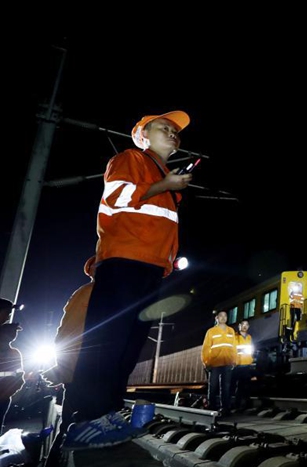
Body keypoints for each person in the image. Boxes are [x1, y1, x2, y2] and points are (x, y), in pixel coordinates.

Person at [58, 111, 193, 452]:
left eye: (176, 131)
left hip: (150, 268)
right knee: (109, 341)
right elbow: (117, 198)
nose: (173, 133)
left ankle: (108, 413)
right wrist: (165, 186)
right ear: (142, 136)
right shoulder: (129, 159)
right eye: (165, 128)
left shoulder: (163, 176)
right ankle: (84, 420)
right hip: (124, 261)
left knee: (129, 346)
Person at [41, 256, 96, 387]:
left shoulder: (86, 291)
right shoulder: (90, 292)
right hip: (83, 365)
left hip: (80, 364)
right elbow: (72, 330)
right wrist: (66, 368)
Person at [201, 311, 237, 415]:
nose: (223, 318)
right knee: (213, 387)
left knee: (226, 387)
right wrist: (206, 362)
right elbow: (206, 348)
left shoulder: (231, 331)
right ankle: (211, 408)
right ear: (217, 318)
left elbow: (234, 347)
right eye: (221, 316)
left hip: (227, 363)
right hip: (214, 364)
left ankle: (225, 408)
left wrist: (234, 361)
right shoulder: (211, 331)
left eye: (225, 316)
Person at [0, 323, 25, 434]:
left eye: (15, 332)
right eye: (11, 331)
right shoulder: (14, 353)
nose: (13, 335)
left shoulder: (15, 353)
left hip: (3, 399)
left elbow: (19, 377)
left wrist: (6, 394)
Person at [232, 320, 255, 411]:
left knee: (246, 385)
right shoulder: (235, 337)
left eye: (246, 325)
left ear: (248, 327)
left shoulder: (249, 337)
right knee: (237, 386)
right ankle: (236, 404)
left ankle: (244, 405)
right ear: (239, 326)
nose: (245, 326)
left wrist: (251, 360)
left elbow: (251, 350)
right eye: (243, 325)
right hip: (237, 365)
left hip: (247, 364)